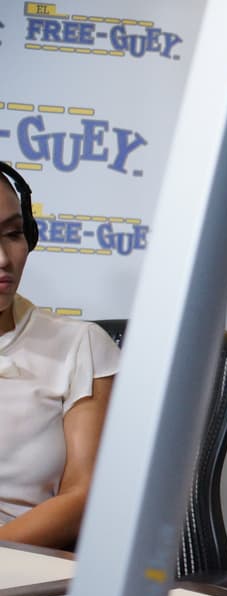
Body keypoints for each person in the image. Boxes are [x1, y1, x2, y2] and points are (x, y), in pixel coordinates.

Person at [0, 162, 119, 550]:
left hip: (23, 572)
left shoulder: (80, 345)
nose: (4, 258)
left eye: (14, 234)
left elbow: (83, 498)